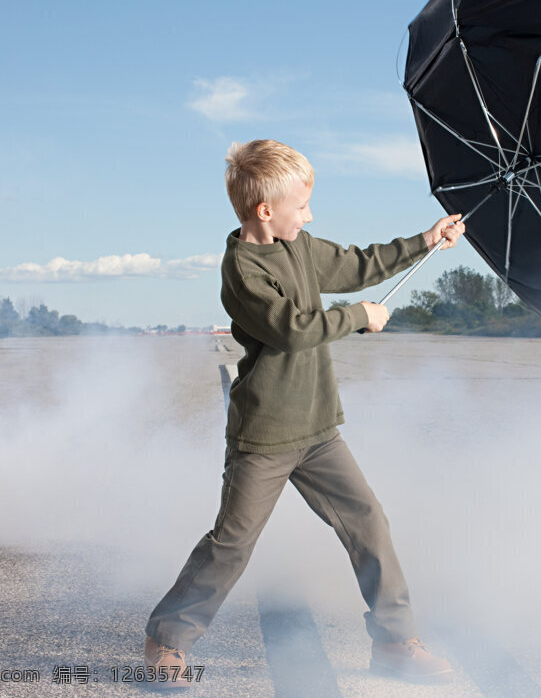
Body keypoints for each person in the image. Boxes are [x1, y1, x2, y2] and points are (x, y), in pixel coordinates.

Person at [143, 139, 465, 688]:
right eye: (302, 206)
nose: (310, 215)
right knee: (232, 543)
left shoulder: (302, 247)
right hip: (266, 434)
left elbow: (361, 264)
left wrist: (425, 241)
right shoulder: (243, 269)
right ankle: (168, 638)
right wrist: (359, 316)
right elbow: (292, 329)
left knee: (369, 522)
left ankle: (393, 642)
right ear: (265, 211)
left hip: (318, 430)